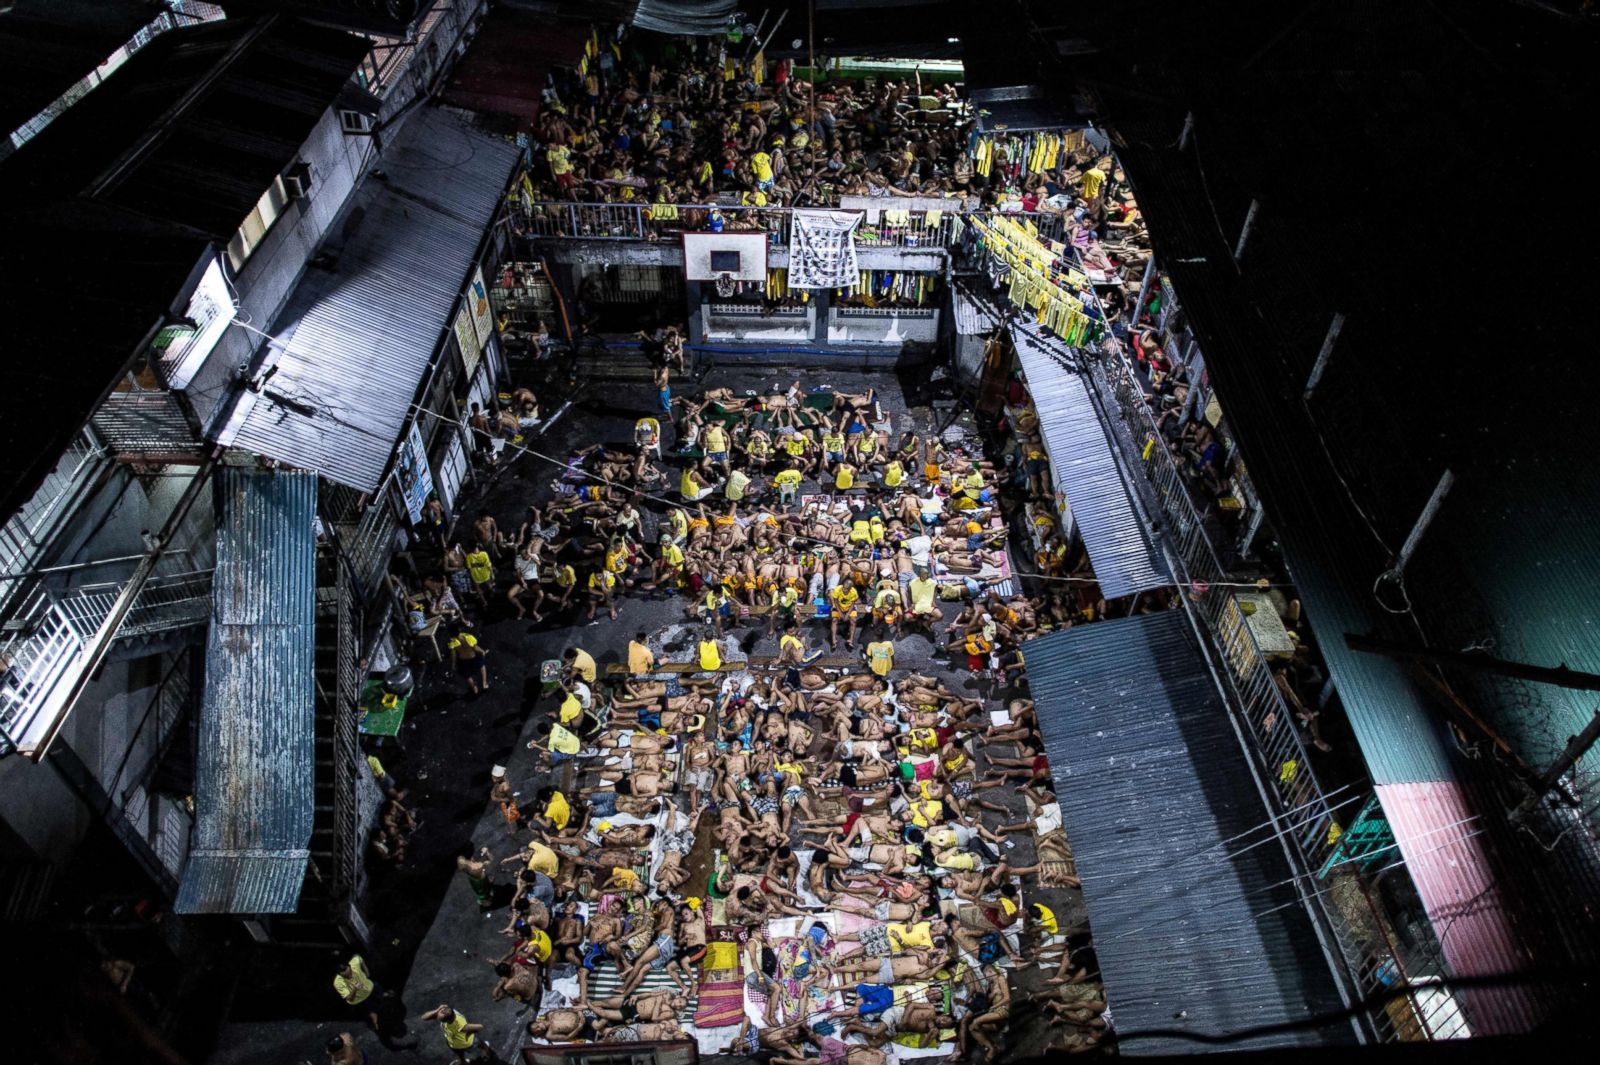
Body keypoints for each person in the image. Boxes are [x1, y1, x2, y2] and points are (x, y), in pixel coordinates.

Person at [421, 1004, 488, 1064]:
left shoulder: (460, 1025)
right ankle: (463, 1062)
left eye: (439, 1018)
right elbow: (424, 1017)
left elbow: (479, 1027)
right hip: (452, 1043)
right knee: (460, 1054)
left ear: (447, 1021)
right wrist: (437, 1010)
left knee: (479, 1043)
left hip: (466, 1043)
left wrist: (468, 1035)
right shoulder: (447, 1012)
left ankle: (485, 1051)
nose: (437, 1017)